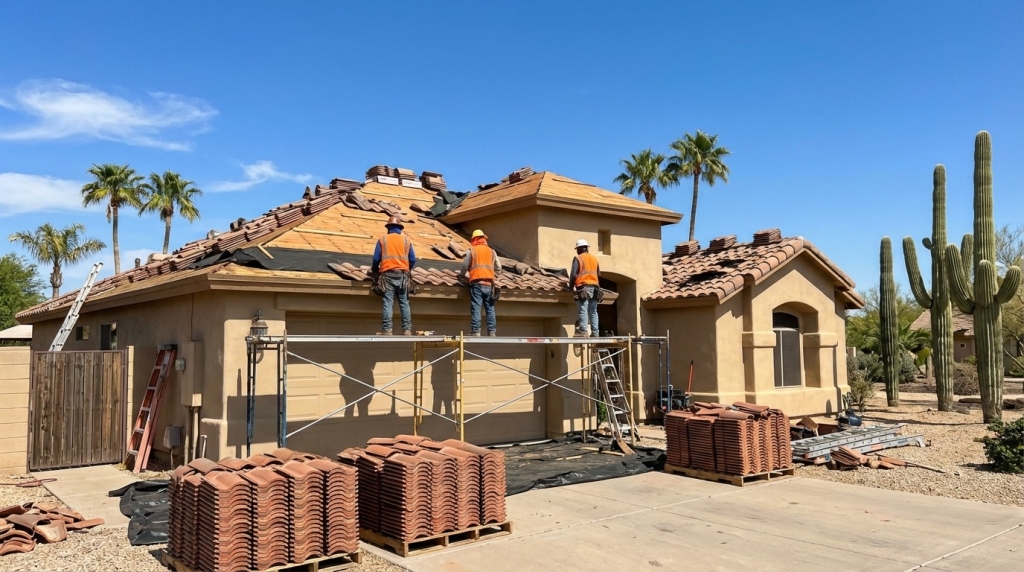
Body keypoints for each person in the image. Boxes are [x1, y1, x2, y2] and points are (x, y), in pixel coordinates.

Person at [371, 215, 416, 335]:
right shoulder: (407, 240)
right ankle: (407, 330)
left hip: (387, 275)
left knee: (388, 302)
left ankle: (387, 330)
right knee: (404, 302)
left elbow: (376, 259)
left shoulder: (382, 240)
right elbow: (413, 259)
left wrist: (375, 271)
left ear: (388, 227)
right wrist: (407, 269)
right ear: (400, 228)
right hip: (403, 275)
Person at [459, 229, 502, 336]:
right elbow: (499, 268)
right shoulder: (492, 251)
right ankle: (492, 332)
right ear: (484, 239)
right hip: (489, 284)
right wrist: (493, 276)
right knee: (490, 308)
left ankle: (476, 331)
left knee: (476, 307)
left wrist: (461, 276)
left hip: (476, 284)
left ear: (474, 239)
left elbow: (464, 266)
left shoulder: (472, 251)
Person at [569, 238, 601, 337]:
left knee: (583, 309)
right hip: (595, 288)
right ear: (587, 248)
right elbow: (598, 274)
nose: (577, 251)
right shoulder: (594, 259)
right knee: (593, 311)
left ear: (579, 249)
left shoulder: (578, 258)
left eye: (577, 249)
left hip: (583, 287)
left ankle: (583, 331)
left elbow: (573, 274)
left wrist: (570, 287)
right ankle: (595, 332)